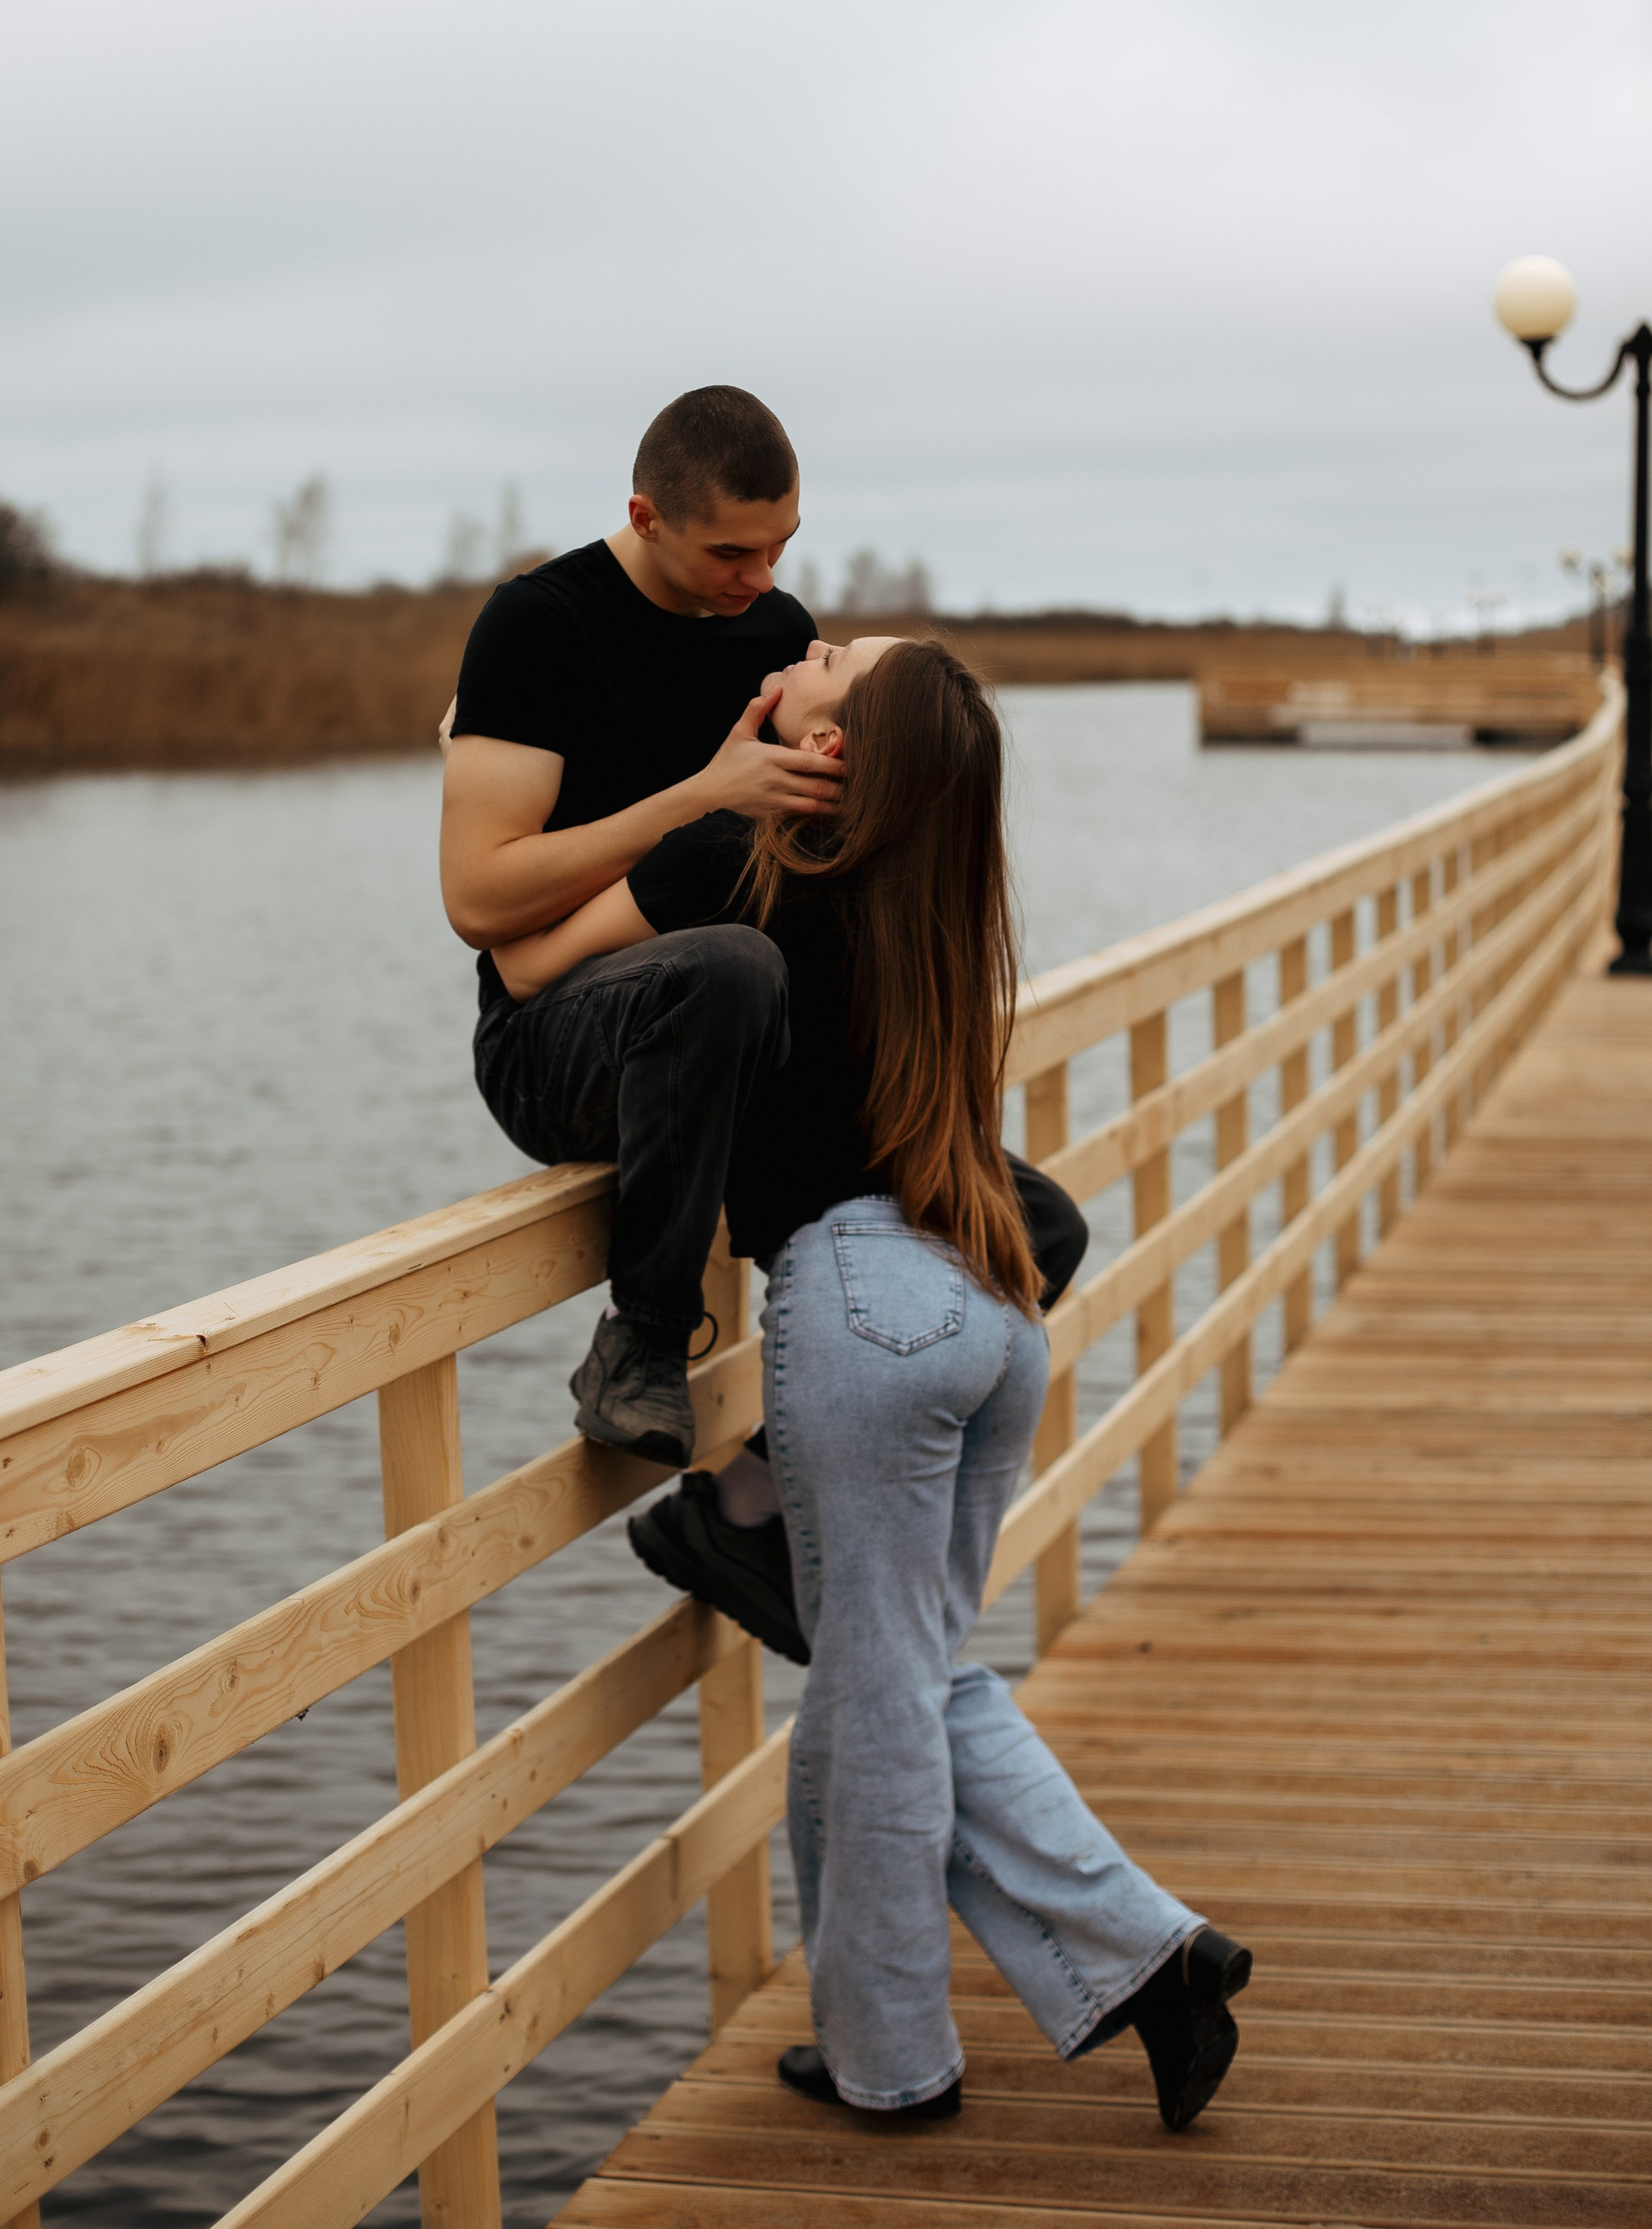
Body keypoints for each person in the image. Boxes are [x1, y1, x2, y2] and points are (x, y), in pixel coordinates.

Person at [490, 634, 1252, 2131]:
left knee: (883, 1701)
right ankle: (1126, 1973)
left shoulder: (737, 855)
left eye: (830, 659)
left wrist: (688, 795)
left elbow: (525, 963)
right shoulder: (927, 904)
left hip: (864, 1308)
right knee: (898, 1678)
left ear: (830, 749)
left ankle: (911, 2062)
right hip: (987, 1301)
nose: (804, 644)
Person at [443, 385, 1085, 1483]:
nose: (764, 581)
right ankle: (645, 1338)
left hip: (757, 1040)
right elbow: (481, 907)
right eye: (732, 553)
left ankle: (752, 1508)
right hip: (566, 1036)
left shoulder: (776, 634)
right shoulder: (538, 628)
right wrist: (699, 795)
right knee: (731, 969)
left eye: (782, 546)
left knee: (1037, 1229)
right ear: (646, 518)